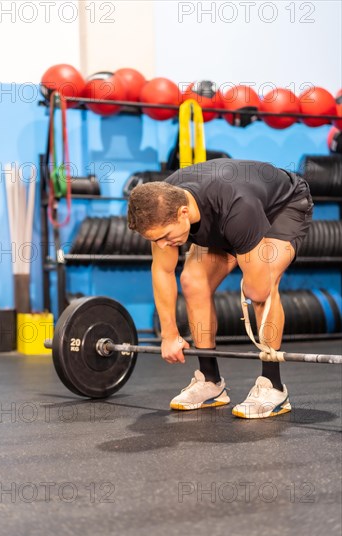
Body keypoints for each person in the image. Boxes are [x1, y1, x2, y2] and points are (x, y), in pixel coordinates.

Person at [127, 159, 313, 419]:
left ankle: (273, 386)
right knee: (192, 280)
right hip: (228, 221)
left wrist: (251, 266)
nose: (162, 244)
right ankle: (210, 381)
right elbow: (162, 270)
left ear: (182, 213)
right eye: (154, 240)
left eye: (165, 237)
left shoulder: (237, 207)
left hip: (282, 207)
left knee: (260, 291)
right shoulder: (161, 204)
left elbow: (258, 290)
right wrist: (169, 334)